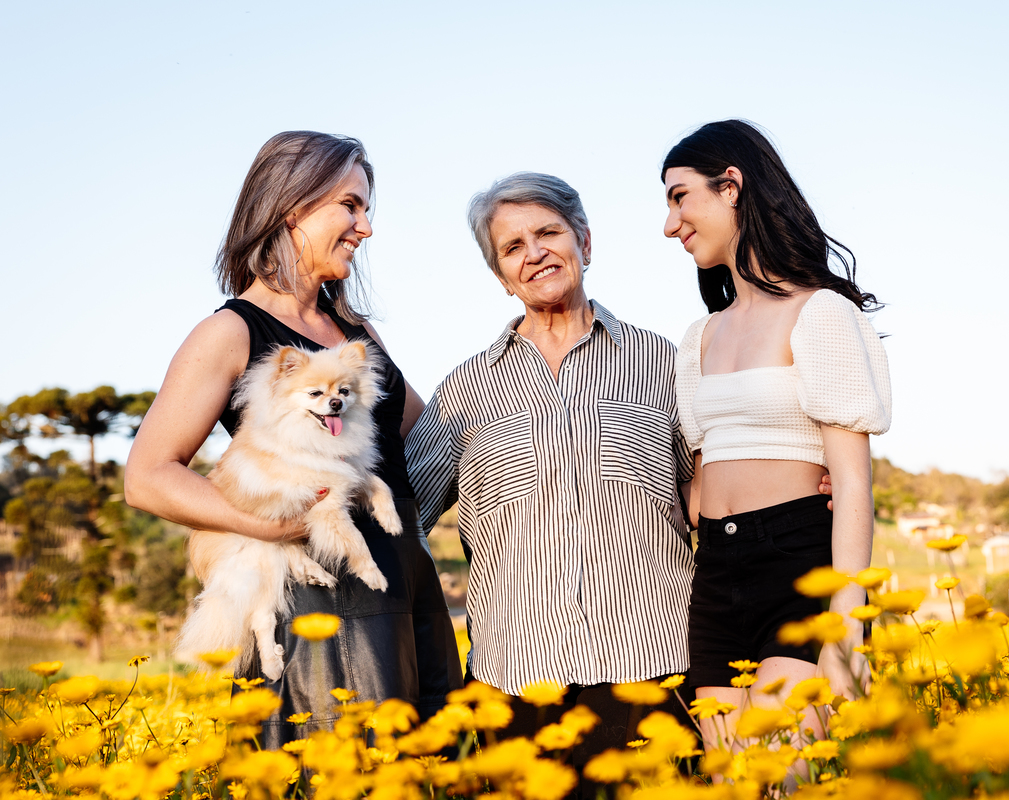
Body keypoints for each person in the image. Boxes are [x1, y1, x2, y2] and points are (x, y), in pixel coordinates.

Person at [125, 131, 462, 746]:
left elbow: (425, 431)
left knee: (426, 765)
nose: (365, 228)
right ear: (293, 209)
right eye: (350, 207)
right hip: (316, 597)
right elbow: (147, 476)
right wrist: (273, 525)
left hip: (403, 576)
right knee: (333, 764)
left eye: (367, 210)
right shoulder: (228, 332)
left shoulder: (351, 332)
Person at [403, 172, 698, 775]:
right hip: (513, 690)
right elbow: (398, 520)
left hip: (652, 679)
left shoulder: (670, 362)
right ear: (501, 278)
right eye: (513, 247)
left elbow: (719, 501)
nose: (534, 253)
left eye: (548, 232)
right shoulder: (465, 388)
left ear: (584, 242)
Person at [662, 120, 891, 749]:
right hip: (714, 573)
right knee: (730, 778)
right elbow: (703, 477)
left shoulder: (820, 314)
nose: (670, 223)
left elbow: (851, 485)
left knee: (783, 774)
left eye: (680, 197)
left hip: (798, 562)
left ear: (730, 185)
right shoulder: (697, 337)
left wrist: (849, 633)